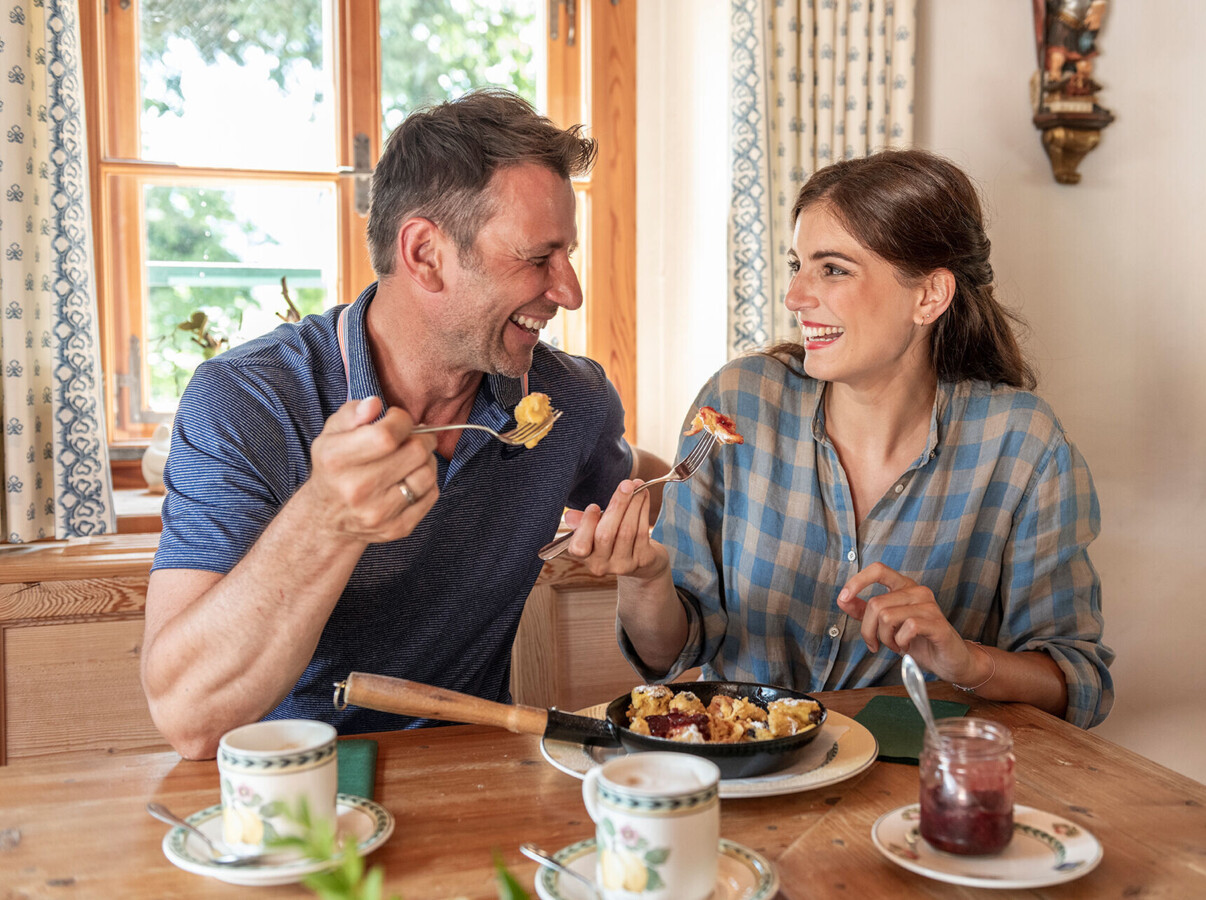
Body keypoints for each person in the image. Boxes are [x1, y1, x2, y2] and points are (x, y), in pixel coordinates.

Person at [141, 89, 668, 759]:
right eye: (539, 258)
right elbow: (190, 720)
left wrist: (707, 479)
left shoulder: (570, 399)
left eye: (567, 255)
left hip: (476, 775)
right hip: (290, 792)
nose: (570, 291)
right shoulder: (247, 403)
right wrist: (328, 516)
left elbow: (639, 487)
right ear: (424, 253)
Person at [562, 148, 1113, 729]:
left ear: (929, 296)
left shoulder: (1023, 445)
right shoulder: (738, 405)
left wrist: (964, 658)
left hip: (908, 790)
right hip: (750, 778)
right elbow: (663, 656)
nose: (795, 296)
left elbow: (1079, 683)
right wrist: (645, 579)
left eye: (833, 269)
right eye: (797, 264)